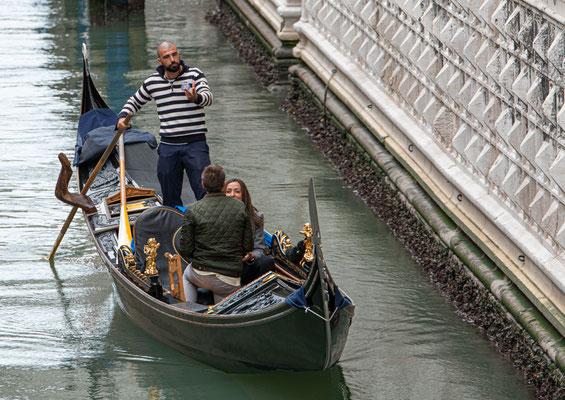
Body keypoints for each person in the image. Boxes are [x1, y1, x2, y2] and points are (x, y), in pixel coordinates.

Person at [116, 41, 213, 207]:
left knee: (204, 191)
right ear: (160, 61)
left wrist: (195, 98)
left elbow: (208, 97)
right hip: (169, 146)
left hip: (195, 144)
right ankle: (173, 225)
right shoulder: (152, 82)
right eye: (167, 57)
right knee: (169, 195)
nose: (173, 59)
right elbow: (134, 101)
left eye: (175, 54)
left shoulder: (194, 75)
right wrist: (122, 117)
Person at [179, 164, 254, 303]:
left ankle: (189, 309)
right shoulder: (240, 207)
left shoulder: (192, 209)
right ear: (223, 184)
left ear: (202, 184)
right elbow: (248, 245)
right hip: (229, 278)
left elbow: (185, 249)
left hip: (201, 273)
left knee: (186, 276)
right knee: (223, 307)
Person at [225, 178, 275, 285]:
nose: (232, 194)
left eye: (237, 191)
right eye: (228, 191)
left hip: (246, 266)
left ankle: (262, 292)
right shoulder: (218, 215)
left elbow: (260, 249)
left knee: (267, 261)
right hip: (225, 266)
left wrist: (251, 256)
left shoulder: (256, 217)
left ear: (244, 195)